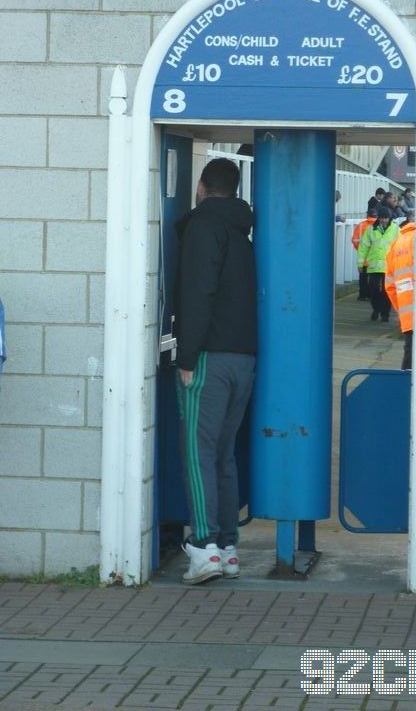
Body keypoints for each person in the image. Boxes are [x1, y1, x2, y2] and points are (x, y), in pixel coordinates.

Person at [174, 158, 257, 584]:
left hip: (208, 358)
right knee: (223, 454)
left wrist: (186, 356)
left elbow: (198, 292)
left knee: (197, 452)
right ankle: (226, 548)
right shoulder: (243, 230)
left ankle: (203, 546)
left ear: (202, 187)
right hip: (245, 357)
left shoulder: (203, 226)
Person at [357, 205, 398, 322]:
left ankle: (385, 313)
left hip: (389, 265)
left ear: (390, 218)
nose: (384, 220)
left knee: (387, 291)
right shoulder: (371, 229)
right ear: (378, 218)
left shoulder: (395, 229)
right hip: (374, 265)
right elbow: (363, 247)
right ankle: (376, 309)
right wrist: (360, 263)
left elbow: (400, 245)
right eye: (382, 218)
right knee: (373, 289)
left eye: (386, 218)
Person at [385, 213, 416, 369]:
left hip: (406, 310)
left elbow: (389, 286)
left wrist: (401, 309)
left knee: (409, 353)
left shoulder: (395, 244)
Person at [351, 207, 377, 300]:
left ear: (367, 215)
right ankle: (371, 295)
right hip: (375, 257)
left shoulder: (361, 225)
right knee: (374, 278)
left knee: (363, 276)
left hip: (363, 256)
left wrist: (360, 250)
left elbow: (354, 240)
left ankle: (362, 295)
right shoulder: (379, 226)